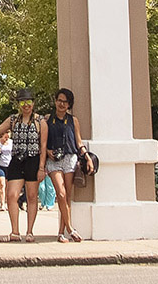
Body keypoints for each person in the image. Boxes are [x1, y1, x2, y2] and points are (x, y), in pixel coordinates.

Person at [0, 88, 46, 242]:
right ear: (19, 104)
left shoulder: (40, 121)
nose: (26, 105)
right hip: (16, 159)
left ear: (33, 103)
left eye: (28, 101)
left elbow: (43, 145)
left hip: (33, 159)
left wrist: (41, 168)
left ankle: (30, 231)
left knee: (32, 196)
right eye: (22, 102)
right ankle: (15, 231)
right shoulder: (13, 119)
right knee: (12, 195)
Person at [46, 88, 93, 242]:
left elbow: (78, 141)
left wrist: (87, 156)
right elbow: (42, 142)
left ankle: (61, 233)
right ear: (55, 101)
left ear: (69, 104)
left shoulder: (73, 120)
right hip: (53, 160)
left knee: (66, 197)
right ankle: (70, 228)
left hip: (70, 157)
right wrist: (47, 151)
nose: (62, 104)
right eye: (59, 100)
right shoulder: (47, 119)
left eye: (65, 101)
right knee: (60, 193)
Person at [0, 129, 12, 210]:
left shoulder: (12, 142)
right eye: (5, 137)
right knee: (2, 184)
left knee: (8, 185)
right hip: (0, 165)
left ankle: (8, 202)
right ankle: (2, 203)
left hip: (10, 165)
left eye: (8, 137)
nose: (6, 139)